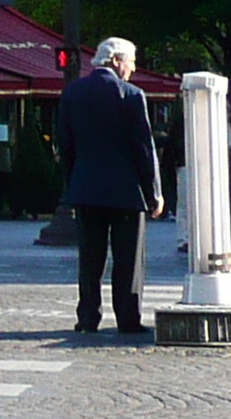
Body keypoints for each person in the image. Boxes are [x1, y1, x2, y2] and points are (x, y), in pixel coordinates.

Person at [57, 37, 163, 334]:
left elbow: (65, 146)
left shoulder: (72, 92)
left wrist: (72, 182)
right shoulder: (131, 95)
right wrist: (153, 192)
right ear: (116, 60)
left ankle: (88, 317)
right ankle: (128, 318)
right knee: (128, 259)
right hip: (126, 191)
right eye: (130, 62)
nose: (133, 68)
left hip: (86, 188)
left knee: (90, 259)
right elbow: (144, 147)